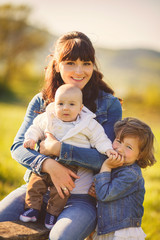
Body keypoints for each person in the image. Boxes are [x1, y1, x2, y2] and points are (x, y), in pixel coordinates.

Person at [0, 31, 122, 240]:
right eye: (70, 63)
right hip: (37, 188)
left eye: (86, 63)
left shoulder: (108, 104)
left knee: (60, 238)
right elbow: (18, 148)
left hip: (80, 198)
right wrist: (48, 165)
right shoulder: (41, 101)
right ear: (57, 64)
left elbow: (106, 158)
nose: (79, 70)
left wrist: (59, 151)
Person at [20, 84, 117, 229]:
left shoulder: (87, 124)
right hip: (46, 163)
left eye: (71, 104)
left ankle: (52, 214)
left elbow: (99, 139)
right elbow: (35, 128)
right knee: (35, 183)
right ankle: (32, 209)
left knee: (61, 191)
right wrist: (32, 138)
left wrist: (108, 149)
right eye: (60, 104)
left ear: (80, 108)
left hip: (69, 165)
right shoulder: (49, 117)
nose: (65, 108)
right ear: (54, 105)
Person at [88, 117, 156, 240]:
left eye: (129, 147)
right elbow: (106, 196)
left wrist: (106, 166)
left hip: (122, 232)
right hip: (106, 229)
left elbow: (105, 194)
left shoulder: (130, 175)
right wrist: (97, 192)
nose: (120, 149)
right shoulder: (116, 166)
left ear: (140, 155)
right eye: (118, 141)